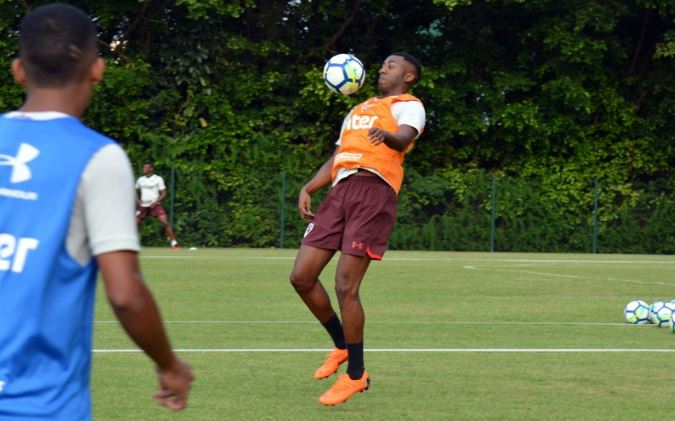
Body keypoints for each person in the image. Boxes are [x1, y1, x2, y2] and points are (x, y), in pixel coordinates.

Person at [0, 4, 193, 419]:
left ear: (18, 70)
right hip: (41, 406)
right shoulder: (98, 158)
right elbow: (125, 295)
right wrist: (169, 365)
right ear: (98, 69)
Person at [289, 52, 426, 405]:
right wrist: (310, 186)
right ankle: (340, 345)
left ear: (409, 76)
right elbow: (338, 156)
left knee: (345, 285)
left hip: (374, 192)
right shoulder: (357, 109)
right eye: (383, 64)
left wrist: (387, 134)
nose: (383, 68)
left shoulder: (409, 105)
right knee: (301, 277)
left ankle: (356, 375)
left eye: (392, 65)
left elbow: (404, 138)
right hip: (341, 192)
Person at [135, 161, 180, 250]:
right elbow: (134, 190)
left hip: (155, 205)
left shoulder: (158, 179)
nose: (144, 169)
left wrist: (156, 202)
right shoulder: (140, 179)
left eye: (146, 167)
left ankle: (174, 243)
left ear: (151, 169)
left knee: (165, 222)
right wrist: (138, 201)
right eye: (143, 167)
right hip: (143, 205)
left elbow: (164, 193)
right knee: (134, 224)